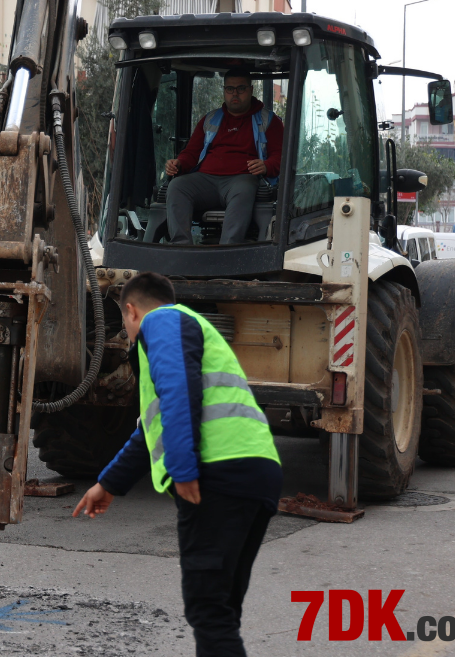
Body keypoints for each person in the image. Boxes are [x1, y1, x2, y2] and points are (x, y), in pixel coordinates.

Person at [72, 272, 282, 657]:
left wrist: (184, 468)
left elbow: (177, 389)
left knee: (208, 609)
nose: (129, 337)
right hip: (257, 472)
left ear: (132, 311)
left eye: (124, 326)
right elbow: (151, 432)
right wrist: (108, 484)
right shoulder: (190, 329)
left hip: (216, 474)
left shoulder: (162, 321)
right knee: (220, 609)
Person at [163, 69, 283, 245]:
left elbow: (280, 156)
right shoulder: (210, 119)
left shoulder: (269, 120)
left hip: (242, 178)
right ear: (224, 91)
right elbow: (191, 152)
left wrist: (266, 165)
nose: (235, 94)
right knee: (177, 186)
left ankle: (227, 250)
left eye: (241, 89)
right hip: (206, 179)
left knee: (244, 190)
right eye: (230, 89)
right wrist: (179, 163)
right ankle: (181, 248)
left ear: (250, 90)